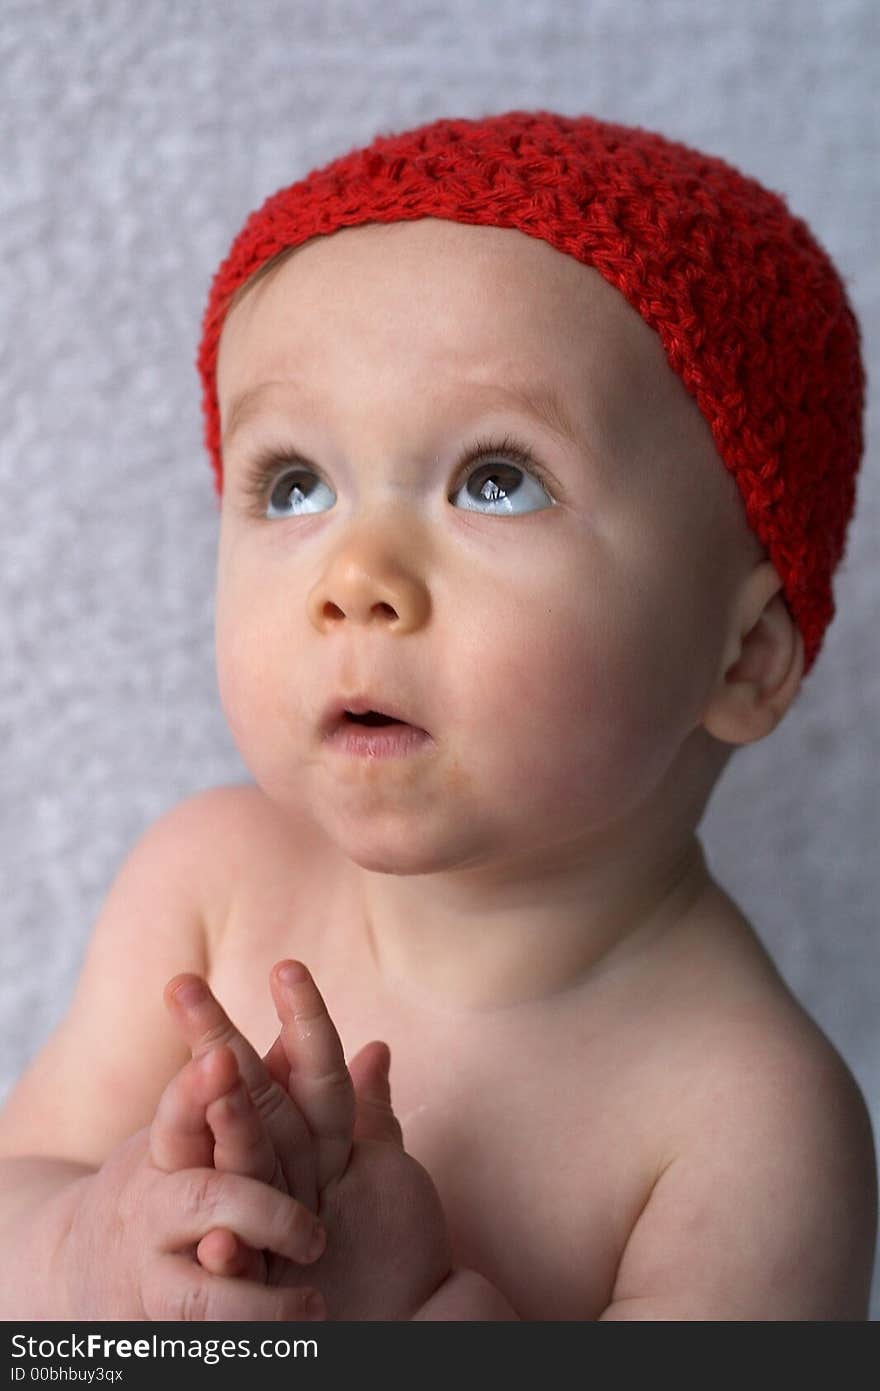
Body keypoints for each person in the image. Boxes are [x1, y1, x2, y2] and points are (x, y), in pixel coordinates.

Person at [0, 109, 875, 1321]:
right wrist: (76, 1258)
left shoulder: (748, 1121)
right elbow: (18, 1191)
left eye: (495, 480)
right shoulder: (204, 888)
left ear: (746, 657)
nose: (353, 574)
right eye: (294, 482)